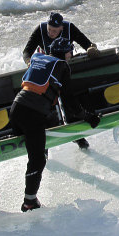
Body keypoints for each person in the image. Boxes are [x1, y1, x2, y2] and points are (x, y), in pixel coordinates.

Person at [10, 37, 101, 212]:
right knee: (37, 160)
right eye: (70, 52)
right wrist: (88, 117)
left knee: (44, 123)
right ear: (65, 53)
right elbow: (69, 103)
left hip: (16, 109)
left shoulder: (39, 57)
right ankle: (29, 202)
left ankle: (37, 144)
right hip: (32, 114)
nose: (71, 55)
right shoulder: (63, 66)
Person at [23, 12, 98, 149]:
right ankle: (43, 145)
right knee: (49, 105)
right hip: (47, 72)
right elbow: (27, 51)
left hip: (63, 67)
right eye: (49, 30)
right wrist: (29, 62)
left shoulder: (69, 28)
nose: (51, 33)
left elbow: (86, 43)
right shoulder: (40, 29)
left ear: (62, 28)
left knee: (67, 100)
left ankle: (77, 136)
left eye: (54, 31)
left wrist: (90, 49)